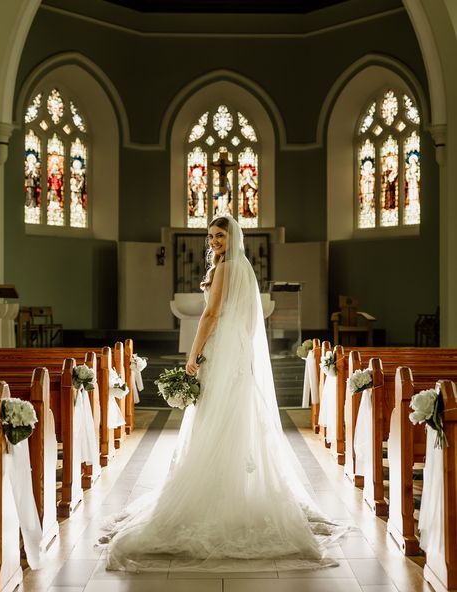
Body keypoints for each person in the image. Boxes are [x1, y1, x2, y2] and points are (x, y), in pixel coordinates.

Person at [102, 214, 347, 573]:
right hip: (237, 351)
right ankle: (234, 488)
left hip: (220, 350)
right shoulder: (244, 267)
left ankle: (215, 493)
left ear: (233, 237)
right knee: (231, 416)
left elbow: (212, 314)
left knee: (213, 416)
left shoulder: (226, 268)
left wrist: (194, 355)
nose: (214, 241)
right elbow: (247, 320)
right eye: (211, 236)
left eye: (220, 235)